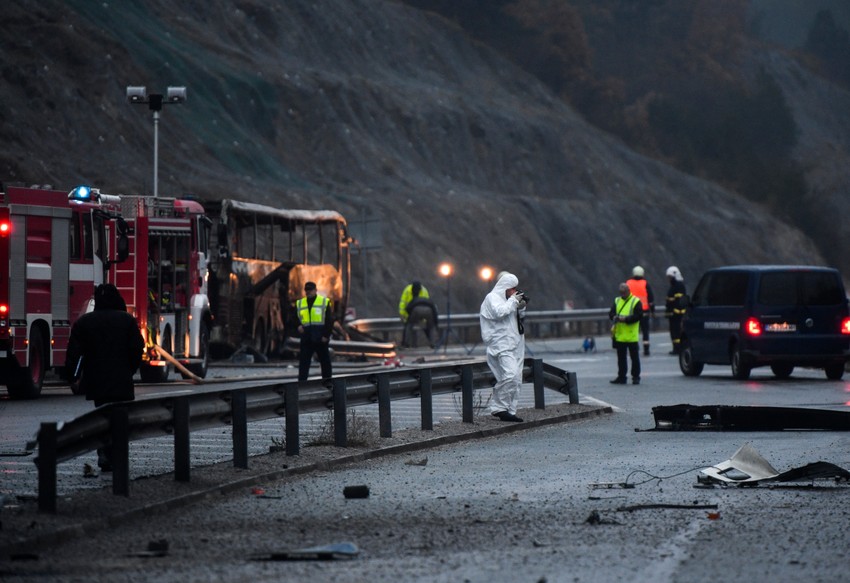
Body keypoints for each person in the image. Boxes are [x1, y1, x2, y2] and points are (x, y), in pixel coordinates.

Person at [66, 284, 145, 472]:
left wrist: (74, 376)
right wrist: (129, 369)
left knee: (102, 418)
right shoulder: (127, 321)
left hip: (97, 381)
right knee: (120, 420)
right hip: (122, 381)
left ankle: (103, 453)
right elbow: (136, 349)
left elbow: (75, 353)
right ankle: (117, 456)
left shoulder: (85, 323)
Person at [479, 272, 527, 422]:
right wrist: (513, 301)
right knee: (510, 375)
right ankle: (499, 408)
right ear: (504, 287)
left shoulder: (508, 301)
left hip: (514, 344)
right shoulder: (492, 298)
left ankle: (510, 411)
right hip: (501, 346)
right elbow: (500, 312)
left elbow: (515, 318)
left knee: (516, 379)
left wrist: (521, 306)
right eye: (512, 289)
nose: (514, 292)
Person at [296, 281, 334, 382]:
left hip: (320, 338)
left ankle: (327, 382)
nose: (308, 292)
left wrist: (326, 335)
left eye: (310, 290)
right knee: (304, 363)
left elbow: (329, 321)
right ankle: (302, 383)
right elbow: (294, 318)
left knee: (325, 362)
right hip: (307, 338)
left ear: (315, 290)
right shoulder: (300, 303)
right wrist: (298, 326)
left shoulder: (324, 302)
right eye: (307, 290)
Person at [609, 282, 643, 385]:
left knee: (634, 358)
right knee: (621, 359)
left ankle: (636, 377)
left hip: (632, 335)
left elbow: (638, 316)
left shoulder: (636, 301)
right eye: (621, 292)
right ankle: (622, 377)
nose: (622, 294)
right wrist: (614, 317)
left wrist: (626, 319)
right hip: (620, 335)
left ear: (628, 291)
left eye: (624, 292)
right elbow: (611, 313)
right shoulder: (617, 300)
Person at [398, 281, 438, 347]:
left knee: (409, 325)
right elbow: (432, 308)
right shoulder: (424, 291)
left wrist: (404, 316)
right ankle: (433, 343)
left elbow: (406, 306)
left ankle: (405, 343)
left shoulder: (408, 291)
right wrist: (433, 321)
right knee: (431, 327)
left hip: (415, 310)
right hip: (429, 311)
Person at [626, 265, 655, 356]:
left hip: (632, 312)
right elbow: (650, 298)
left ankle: (634, 348)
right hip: (644, 311)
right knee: (645, 331)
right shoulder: (645, 283)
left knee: (633, 331)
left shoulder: (628, 283)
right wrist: (653, 311)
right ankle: (646, 349)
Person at [665, 266, 687, 355]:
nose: (669, 279)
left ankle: (678, 348)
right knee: (674, 332)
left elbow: (679, 301)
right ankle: (676, 348)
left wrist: (676, 311)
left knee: (677, 332)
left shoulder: (679, 286)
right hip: (673, 314)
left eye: (670, 277)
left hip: (677, 314)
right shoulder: (674, 286)